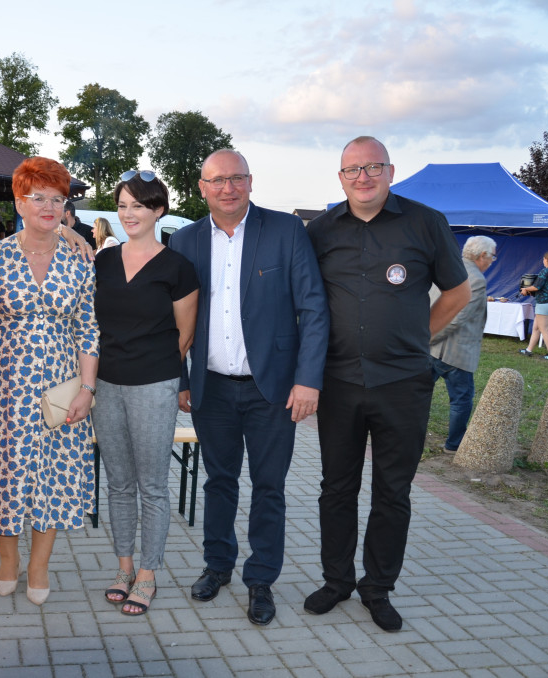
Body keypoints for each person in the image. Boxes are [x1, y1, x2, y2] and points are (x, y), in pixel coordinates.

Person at [304, 136, 469, 631]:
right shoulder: (321, 229)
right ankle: (337, 581)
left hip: (403, 383)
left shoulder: (425, 222)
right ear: (340, 178)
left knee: (392, 491)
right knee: (336, 487)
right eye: (353, 169)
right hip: (338, 381)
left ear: (390, 171)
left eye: (373, 167)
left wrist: (417, 337)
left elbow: (457, 292)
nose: (363, 177)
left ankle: (377, 588)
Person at [169, 149, 330, 626]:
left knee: (269, 487)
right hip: (210, 389)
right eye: (217, 180)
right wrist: (181, 378)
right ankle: (217, 566)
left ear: (251, 182)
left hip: (273, 389)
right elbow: (170, 318)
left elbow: (314, 309)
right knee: (218, 483)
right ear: (202, 188)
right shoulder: (185, 240)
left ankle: (261, 579)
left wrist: (307, 380)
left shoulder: (285, 232)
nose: (228, 188)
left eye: (236, 178)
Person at [0, 156, 99, 606]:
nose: (49, 207)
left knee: (54, 472)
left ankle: (39, 565)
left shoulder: (79, 260)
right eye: (39, 198)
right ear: (19, 201)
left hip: (60, 382)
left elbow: (88, 327)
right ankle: (8, 559)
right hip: (3, 384)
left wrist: (87, 390)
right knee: (6, 470)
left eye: (58, 199)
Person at [93, 170, 199, 615]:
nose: (128, 213)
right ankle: (124, 567)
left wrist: (155, 371)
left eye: (138, 205)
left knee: (151, 485)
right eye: (122, 205)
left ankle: (149, 573)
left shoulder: (177, 267)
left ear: (158, 210)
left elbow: (184, 334)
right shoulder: (103, 261)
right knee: (118, 483)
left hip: (154, 385)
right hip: (105, 384)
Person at [430, 236, 496, 453]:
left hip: (431, 348)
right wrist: (429, 337)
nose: (491, 261)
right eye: (492, 257)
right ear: (482, 256)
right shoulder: (476, 279)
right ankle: (454, 444)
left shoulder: (446, 267)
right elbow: (457, 317)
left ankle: (404, 434)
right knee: (461, 399)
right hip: (455, 350)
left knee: (417, 394)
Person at [519, 250, 548, 361]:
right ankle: (528, 350)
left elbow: (537, 287)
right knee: (536, 327)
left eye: (544, 258)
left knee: (544, 329)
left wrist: (525, 289)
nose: (543, 260)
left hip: (544, 303)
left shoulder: (545, 271)